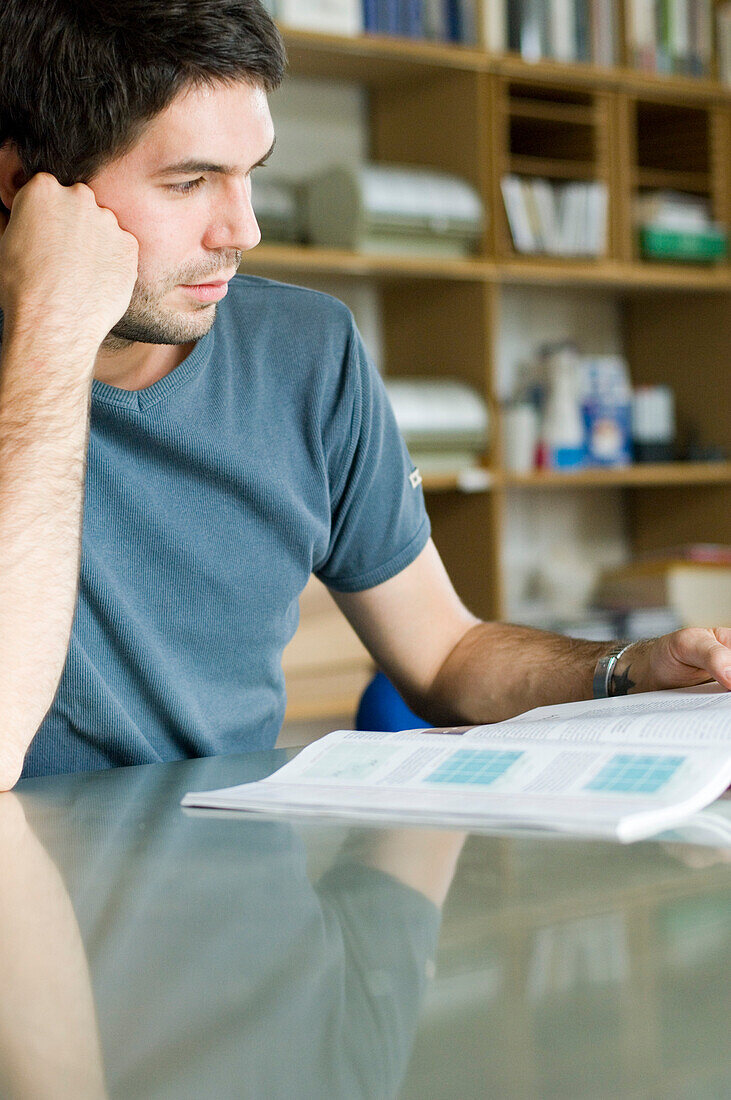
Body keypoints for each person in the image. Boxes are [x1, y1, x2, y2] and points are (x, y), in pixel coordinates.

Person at [0, 0, 729, 790]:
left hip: (240, 878)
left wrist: (627, 670)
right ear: (24, 185)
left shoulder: (306, 350)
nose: (240, 230)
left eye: (250, 176)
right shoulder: (28, 376)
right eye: (189, 182)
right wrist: (50, 335)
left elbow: (443, 653)